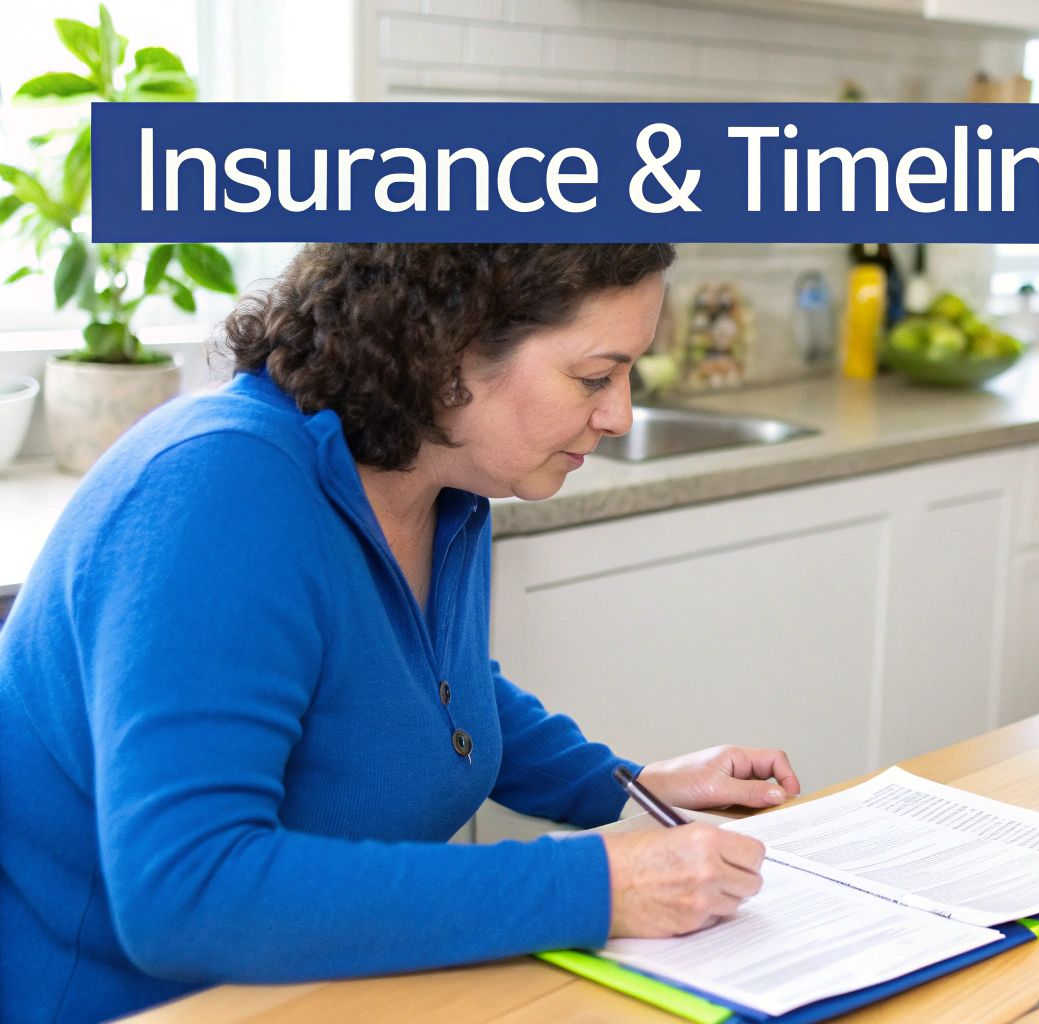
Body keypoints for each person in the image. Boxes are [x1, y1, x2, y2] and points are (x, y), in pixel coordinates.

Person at [0, 243, 801, 1023]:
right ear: (446, 348)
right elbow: (189, 892)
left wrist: (625, 785)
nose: (619, 414)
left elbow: (421, 686)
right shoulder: (217, 496)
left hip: (322, 991)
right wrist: (598, 886)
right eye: (594, 375)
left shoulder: (441, 483)